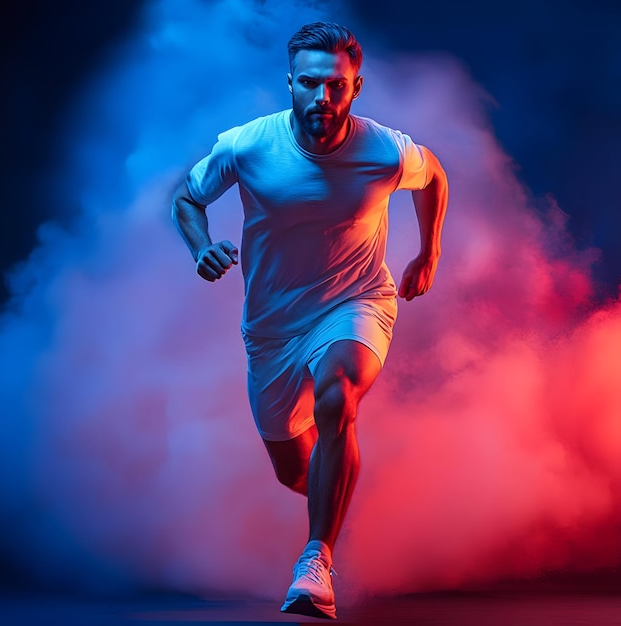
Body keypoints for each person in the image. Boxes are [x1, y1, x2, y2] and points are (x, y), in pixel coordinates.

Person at [172, 21, 448, 620]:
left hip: (357, 301)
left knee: (336, 399)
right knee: (293, 470)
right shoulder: (248, 145)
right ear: (291, 83)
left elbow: (434, 176)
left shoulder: (384, 149)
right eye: (310, 84)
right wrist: (201, 248)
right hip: (272, 324)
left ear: (356, 86)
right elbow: (188, 198)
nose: (323, 98)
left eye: (337, 86)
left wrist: (428, 252)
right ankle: (336, 491)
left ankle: (316, 560)